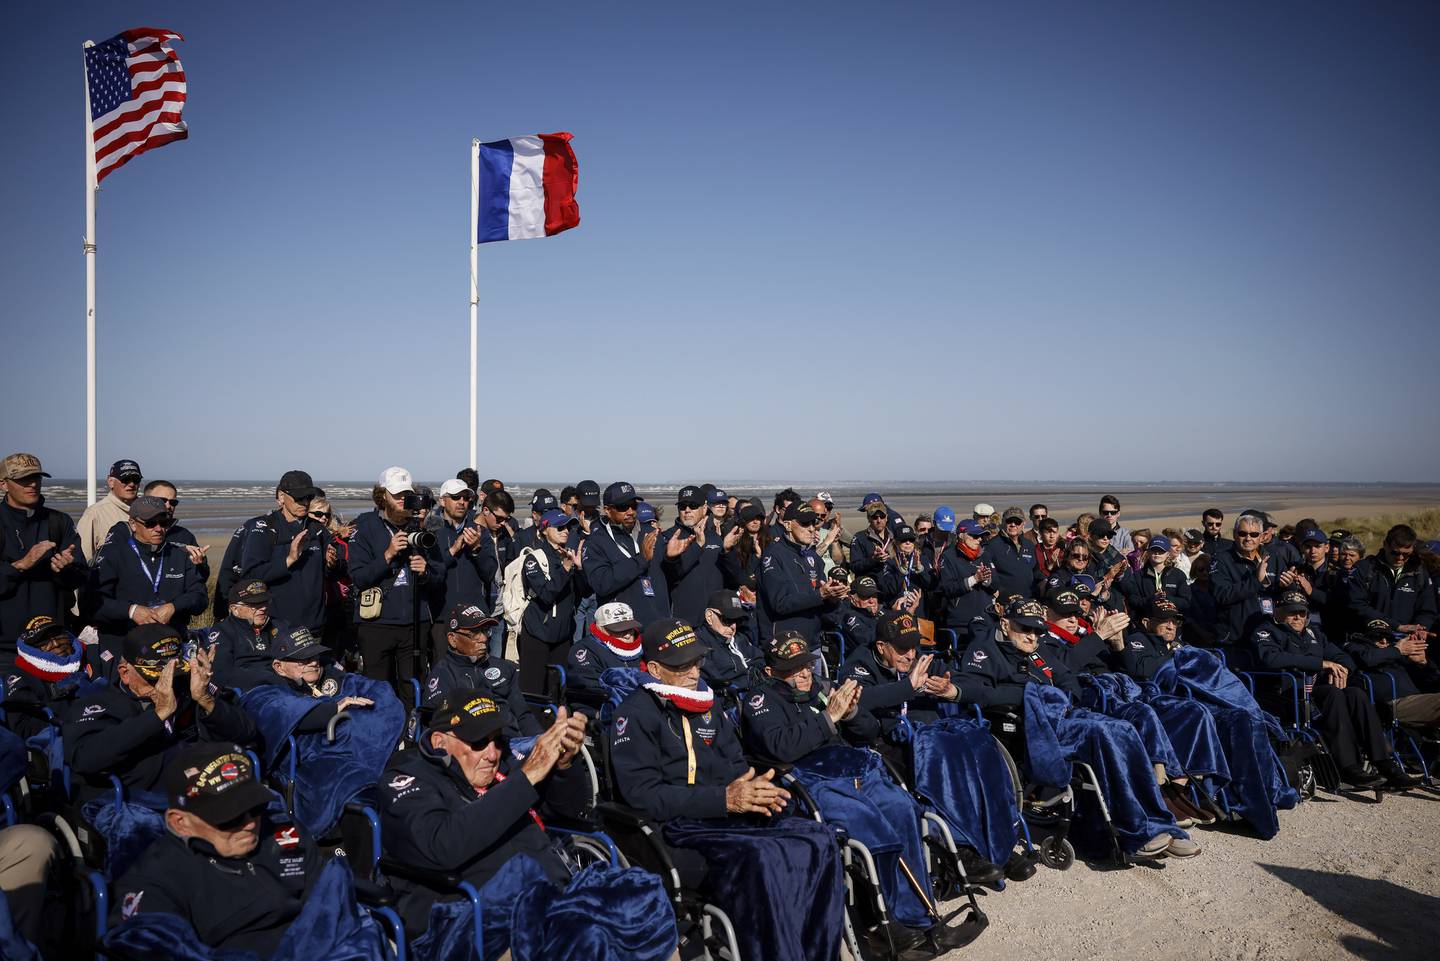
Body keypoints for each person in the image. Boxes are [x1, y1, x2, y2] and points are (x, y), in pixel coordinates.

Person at [608, 618, 846, 961]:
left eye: (697, 661)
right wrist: (723, 798)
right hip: (679, 827)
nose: (694, 672)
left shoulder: (707, 703)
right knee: (762, 858)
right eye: (682, 665)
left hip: (728, 813)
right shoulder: (635, 713)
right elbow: (643, 795)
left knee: (817, 838)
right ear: (656, 670)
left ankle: (820, 949)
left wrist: (751, 785)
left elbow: (734, 762)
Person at [957, 598, 1200, 859]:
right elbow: (976, 691)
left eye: (1037, 630)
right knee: (1105, 734)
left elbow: (1066, 679)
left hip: (1064, 715)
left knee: (1126, 728)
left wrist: (1063, 698)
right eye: (1024, 628)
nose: (1031, 636)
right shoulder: (984, 649)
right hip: (1030, 725)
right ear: (1005, 624)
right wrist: (1032, 695)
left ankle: (1158, 821)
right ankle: (1136, 829)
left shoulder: (1039, 650)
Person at [378, 691, 590, 934]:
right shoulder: (406, 779)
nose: (492, 754)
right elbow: (441, 845)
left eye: (498, 741)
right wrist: (526, 777)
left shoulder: (504, 766)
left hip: (549, 897)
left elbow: (567, 812)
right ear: (440, 742)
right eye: (478, 742)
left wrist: (564, 767)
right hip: (474, 920)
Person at [107, 742, 334, 953]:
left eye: (255, 808)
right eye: (229, 817)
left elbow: (330, 906)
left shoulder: (285, 833)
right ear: (180, 822)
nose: (250, 823)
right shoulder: (156, 879)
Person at [64, 625, 256, 803]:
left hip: (208, 787)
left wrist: (206, 700)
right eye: (154, 678)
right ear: (125, 673)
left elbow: (246, 732)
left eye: (173, 675)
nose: (167, 685)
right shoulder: (99, 704)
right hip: (146, 802)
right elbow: (84, 759)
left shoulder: (189, 688)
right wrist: (157, 715)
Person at [1250, 591, 1420, 790]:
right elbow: (1271, 659)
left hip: (1315, 692)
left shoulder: (1314, 633)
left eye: (1302, 613)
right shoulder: (1266, 631)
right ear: (1278, 612)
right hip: (1287, 694)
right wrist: (1321, 664)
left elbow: (1343, 657)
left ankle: (1385, 763)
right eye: (1291, 612)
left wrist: (1342, 670)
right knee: (1333, 694)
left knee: (1355, 693)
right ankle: (1348, 766)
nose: (1297, 617)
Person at [348, 466, 446, 693]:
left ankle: (411, 727)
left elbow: (439, 577)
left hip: (415, 623)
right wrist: (387, 555)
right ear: (382, 495)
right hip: (376, 623)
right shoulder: (364, 526)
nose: (403, 500)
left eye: (407, 494)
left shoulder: (422, 529)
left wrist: (425, 572)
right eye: (397, 495)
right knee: (377, 688)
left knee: (412, 688)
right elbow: (359, 577)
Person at [90, 495, 208, 675]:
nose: (158, 529)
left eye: (164, 522)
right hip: (124, 644)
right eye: (151, 523)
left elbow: (200, 597)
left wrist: (174, 606)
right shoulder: (113, 554)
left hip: (169, 646)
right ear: (133, 524)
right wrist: (131, 611)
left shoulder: (180, 555)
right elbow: (92, 603)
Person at [0, 453, 85, 653]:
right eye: (23, 479)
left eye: (36, 478)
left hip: (54, 643)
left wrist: (65, 569)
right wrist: (20, 565)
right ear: (4, 484)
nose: (33, 484)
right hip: (5, 647)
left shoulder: (59, 522)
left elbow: (81, 577)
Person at [420, 602, 539, 743]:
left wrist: (540, 741)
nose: (483, 638)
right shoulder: (442, 677)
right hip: (476, 749)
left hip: (514, 744)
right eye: (474, 633)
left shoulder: (504, 668)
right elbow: (444, 730)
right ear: (453, 639)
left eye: (485, 630)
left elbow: (523, 715)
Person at [236, 470, 335, 633]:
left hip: (314, 628)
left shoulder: (318, 529)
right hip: (276, 628)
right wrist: (288, 560)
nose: (304, 502)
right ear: (281, 497)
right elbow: (250, 576)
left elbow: (333, 574)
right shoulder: (264, 527)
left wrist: (333, 563)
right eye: (299, 497)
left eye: (308, 497)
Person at [580, 481, 670, 627]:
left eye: (634, 505)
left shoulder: (651, 533)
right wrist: (640, 560)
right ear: (607, 510)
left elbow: (672, 576)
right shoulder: (595, 542)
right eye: (623, 507)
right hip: (622, 628)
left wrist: (673, 558)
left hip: (659, 624)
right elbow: (601, 583)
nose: (630, 511)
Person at [758, 501, 847, 644]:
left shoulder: (813, 557)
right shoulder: (773, 556)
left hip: (813, 642)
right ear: (787, 525)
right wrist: (820, 594)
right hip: (784, 644)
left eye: (813, 523)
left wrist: (833, 597)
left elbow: (822, 607)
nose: (811, 528)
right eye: (805, 524)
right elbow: (780, 604)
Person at [430, 478, 497, 664]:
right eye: (455, 497)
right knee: (444, 674)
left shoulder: (480, 532)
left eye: (466, 498)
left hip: (475, 618)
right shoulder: (432, 533)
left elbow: (490, 573)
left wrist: (476, 550)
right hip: (442, 618)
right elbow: (428, 573)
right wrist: (452, 552)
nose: (462, 502)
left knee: (478, 674)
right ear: (442, 500)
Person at [516, 509, 582, 695]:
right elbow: (546, 594)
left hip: (563, 633)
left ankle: (557, 722)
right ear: (545, 530)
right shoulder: (534, 558)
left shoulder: (569, 556)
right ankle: (531, 722)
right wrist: (566, 569)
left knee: (559, 689)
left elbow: (583, 592)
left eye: (568, 526)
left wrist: (580, 569)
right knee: (533, 688)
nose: (566, 531)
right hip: (538, 632)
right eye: (560, 527)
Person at [2, 615, 96, 740]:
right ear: (30, 647)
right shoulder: (19, 676)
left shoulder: (91, 655)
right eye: (44, 641)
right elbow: (22, 727)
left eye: (58, 636)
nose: (56, 644)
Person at [101, 479, 210, 583]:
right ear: (144, 500)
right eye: (161, 500)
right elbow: (105, 568)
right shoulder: (123, 530)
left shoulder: (184, 535)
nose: (168, 506)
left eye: (173, 502)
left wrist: (199, 564)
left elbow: (200, 580)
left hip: (172, 600)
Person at [1344, 618, 1440, 736]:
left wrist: (1423, 663)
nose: (1384, 641)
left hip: (1418, 702)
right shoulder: (1356, 648)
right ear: (1365, 638)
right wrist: (1397, 650)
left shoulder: (1399, 654)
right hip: (1389, 705)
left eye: (1388, 638)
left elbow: (1433, 681)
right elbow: (1366, 659)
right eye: (1377, 637)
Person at [1208, 513, 1287, 645]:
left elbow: (1284, 595)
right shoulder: (1221, 560)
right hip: (1236, 637)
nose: (1248, 538)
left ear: (1262, 537)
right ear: (1234, 534)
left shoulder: (1273, 557)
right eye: (1242, 533)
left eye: (1254, 534)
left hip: (1270, 632)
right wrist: (1256, 581)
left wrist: (1288, 585)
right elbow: (1222, 595)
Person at [1348, 524, 1437, 637]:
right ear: (1385, 545)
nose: (1400, 558)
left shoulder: (1419, 573)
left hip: (1407, 639)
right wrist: (1396, 626)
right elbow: (1357, 605)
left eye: (1406, 554)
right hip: (1370, 638)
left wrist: (1420, 628)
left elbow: (1427, 609)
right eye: (1395, 553)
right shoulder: (1364, 569)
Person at [659, 486, 731, 624]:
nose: (687, 510)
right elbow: (671, 576)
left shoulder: (715, 537)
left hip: (715, 619)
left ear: (704, 509)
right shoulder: (668, 537)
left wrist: (729, 552)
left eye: (693, 506)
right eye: (682, 506)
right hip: (685, 621)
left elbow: (728, 577)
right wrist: (696, 546)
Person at [207, 579, 290, 690]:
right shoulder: (223, 632)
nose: (263, 608)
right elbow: (223, 673)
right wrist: (270, 679)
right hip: (251, 692)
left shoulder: (280, 625)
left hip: (287, 686)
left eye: (265, 602)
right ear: (235, 609)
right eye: (255, 604)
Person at [565, 601, 643, 712]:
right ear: (601, 628)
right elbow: (587, 688)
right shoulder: (585, 649)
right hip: (602, 710)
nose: (627, 635)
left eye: (630, 629)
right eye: (620, 630)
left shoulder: (645, 646)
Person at [935, 519, 995, 645]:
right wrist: (974, 579)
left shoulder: (985, 555)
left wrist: (987, 580)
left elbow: (997, 583)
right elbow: (947, 588)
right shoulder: (949, 556)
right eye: (974, 536)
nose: (979, 539)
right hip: (961, 623)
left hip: (986, 619)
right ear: (961, 536)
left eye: (981, 536)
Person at [76, 458, 142, 562]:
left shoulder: (147, 510)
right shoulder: (95, 513)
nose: (132, 484)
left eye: (136, 480)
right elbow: (82, 557)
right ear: (111, 481)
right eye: (125, 479)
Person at [697, 589, 762, 692]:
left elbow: (759, 659)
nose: (733, 626)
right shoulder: (700, 643)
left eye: (737, 620)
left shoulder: (739, 638)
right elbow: (716, 681)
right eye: (727, 620)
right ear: (709, 616)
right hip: (731, 699)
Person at [1120, 535, 1192, 616]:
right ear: (1149, 552)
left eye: (1161, 551)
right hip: (1147, 620)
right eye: (1154, 550)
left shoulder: (1178, 574)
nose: (1157, 553)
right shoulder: (1138, 576)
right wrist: (1152, 599)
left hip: (1171, 620)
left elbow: (1186, 602)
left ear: (1168, 553)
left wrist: (1167, 599)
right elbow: (1133, 601)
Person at [982, 507, 1037, 600]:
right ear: (1003, 523)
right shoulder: (991, 546)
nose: (1013, 524)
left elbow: (1036, 571)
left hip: (1028, 599)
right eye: (1009, 521)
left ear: (1023, 524)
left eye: (1017, 521)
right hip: (1004, 602)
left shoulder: (1029, 545)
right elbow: (988, 577)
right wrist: (998, 593)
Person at [876, 525, 932, 609]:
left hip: (918, 611)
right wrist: (901, 571)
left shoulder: (922, 558)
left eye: (911, 540)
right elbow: (889, 589)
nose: (908, 542)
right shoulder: (889, 561)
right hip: (896, 610)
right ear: (896, 542)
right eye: (904, 540)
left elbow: (931, 585)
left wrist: (920, 568)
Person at [721, 500, 767, 598]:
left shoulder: (768, 539)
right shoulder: (736, 542)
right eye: (751, 519)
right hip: (743, 595)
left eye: (758, 519)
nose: (755, 522)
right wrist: (757, 557)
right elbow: (740, 575)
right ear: (743, 521)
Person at [849, 499, 895, 577]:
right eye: (875, 517)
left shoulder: (894, 537)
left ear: (886, 518)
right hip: (870, 583)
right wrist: (873, 560)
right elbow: (854, 567)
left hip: (890, 583)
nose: (879, 520)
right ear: (869, 518)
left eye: (882, 516)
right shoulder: (859, 537)